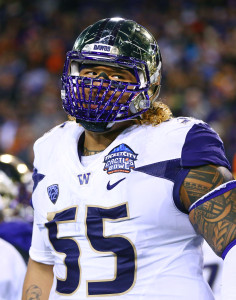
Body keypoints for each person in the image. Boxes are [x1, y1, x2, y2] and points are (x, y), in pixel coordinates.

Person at [22, 18, 236, 299]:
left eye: (116, 75)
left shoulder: (177, 143)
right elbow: (42, 265)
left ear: (150, 84)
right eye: (90, 72)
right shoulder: (49, 148)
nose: (97, 84)